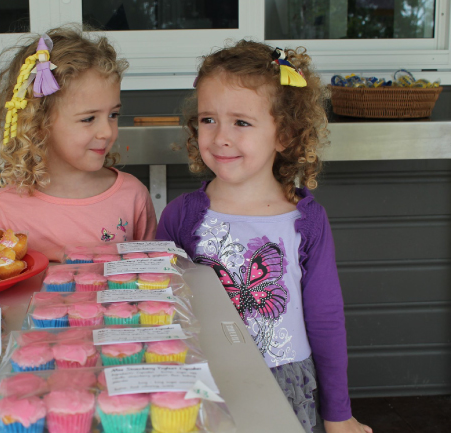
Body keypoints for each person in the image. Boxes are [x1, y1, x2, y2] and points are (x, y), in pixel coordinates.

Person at [156, 40, 372, 433]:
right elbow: (159, 307)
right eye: (208, 119)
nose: (220, 136)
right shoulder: (180, 217)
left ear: (284, 135)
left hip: (285, 386)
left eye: (241, 122)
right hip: (206, 384)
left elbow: (325, 320)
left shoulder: (306, 221)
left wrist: (338, 414)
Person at [0, 27, 157, 261]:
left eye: (113, 115)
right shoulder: (5, 208)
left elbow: (152, 279)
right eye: (88, 119)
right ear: (38, 122)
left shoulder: (132, 196)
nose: (107, 131)